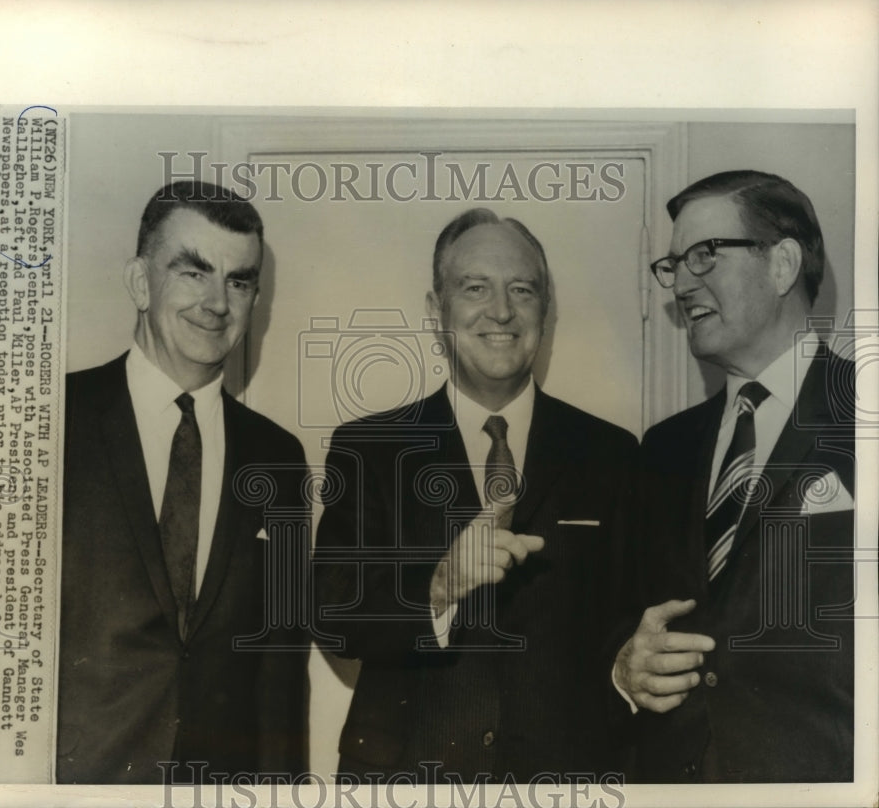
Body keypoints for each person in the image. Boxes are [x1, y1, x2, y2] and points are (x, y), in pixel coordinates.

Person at [313, 208, 638, 783]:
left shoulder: (612, 454)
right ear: (436, 310)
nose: (502, 311)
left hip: (567, 782)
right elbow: (332, 615)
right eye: (475, 288)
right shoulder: (369, 448)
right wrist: (438, 586)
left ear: (546, 310)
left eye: (522, 290)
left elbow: (625, 622)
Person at [57, 181, 310, 784]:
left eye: (240, 281)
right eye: (194, 273)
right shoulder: (47, 420)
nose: (218, 303)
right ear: (141, 282)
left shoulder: (279, 459)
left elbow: (280, 674)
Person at [614, 170, 855, 782]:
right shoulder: (662, 450)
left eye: (705, 255)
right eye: (674, 265)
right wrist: (624, 666)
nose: (683, 284)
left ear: (782, 265)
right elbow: (625, 612)